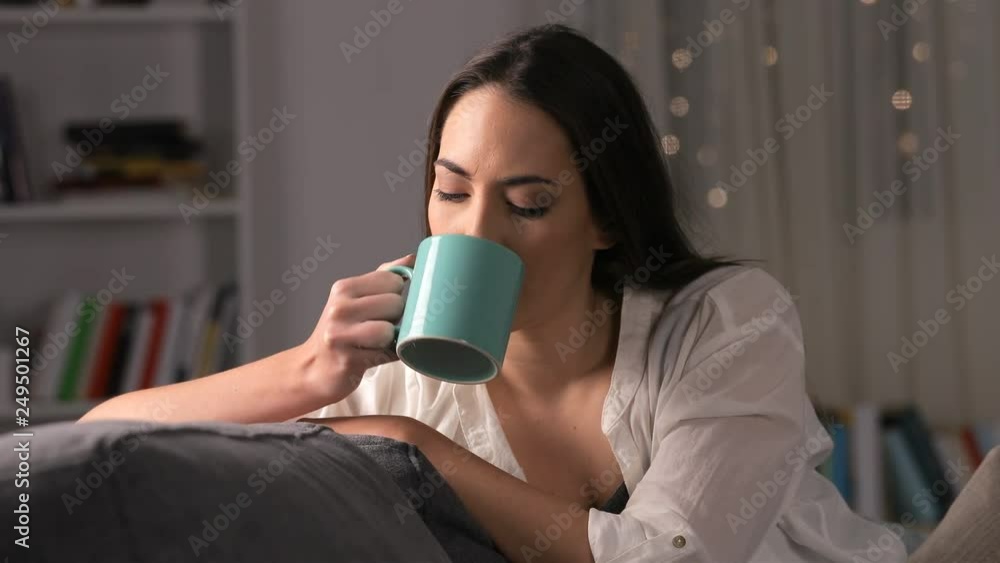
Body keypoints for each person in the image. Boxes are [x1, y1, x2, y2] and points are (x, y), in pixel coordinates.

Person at [80, 24, 907, 563]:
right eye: (450, 191)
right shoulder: (396, 368)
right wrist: (308, 371)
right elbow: (102, 440)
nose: (474, 234)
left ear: (607, 218)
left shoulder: (725, 320)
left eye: (528, 203)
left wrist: (416, 447)